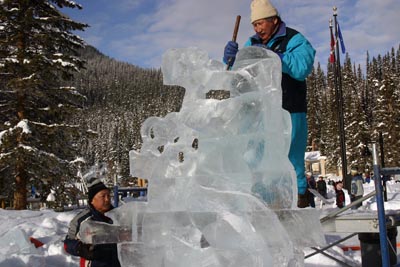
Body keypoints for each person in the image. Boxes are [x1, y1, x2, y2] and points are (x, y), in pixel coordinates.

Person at [223, 0, 316, 208]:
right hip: (259, 113)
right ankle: (261, 205)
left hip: (290, 109)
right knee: (254, 159)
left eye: (261, 23)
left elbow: (302, 67)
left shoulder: (294, 39)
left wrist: (275, 58)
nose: (257, 28)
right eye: (254, 24)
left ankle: (299, 203)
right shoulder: (251, 44)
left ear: (274, 20)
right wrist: (230, 60)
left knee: (291, 159)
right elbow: (233, 77)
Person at [64, 178, 121, 267]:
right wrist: (80, 248)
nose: (107, 199)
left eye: (108, 196)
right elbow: (67, 244)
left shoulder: (118, 216)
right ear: (92, 200)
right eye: (103, 196)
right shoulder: (83, 219)